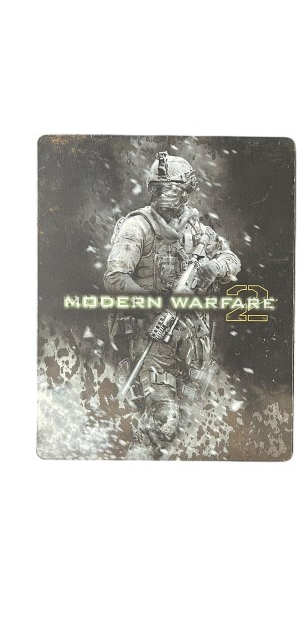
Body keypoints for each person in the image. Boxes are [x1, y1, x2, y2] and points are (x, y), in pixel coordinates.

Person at [104, 151, 241, 459]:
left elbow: (231, 259)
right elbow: (115, 277)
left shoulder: (198, 231)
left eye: (174, 188)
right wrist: (155, 302)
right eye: (160, 188)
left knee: (185, 423)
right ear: (151, 189)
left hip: (192, 341)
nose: (167, 194)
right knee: (163, 417)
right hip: (152, 337)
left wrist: (214, 267)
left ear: (187, 191)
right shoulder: (137, 227)